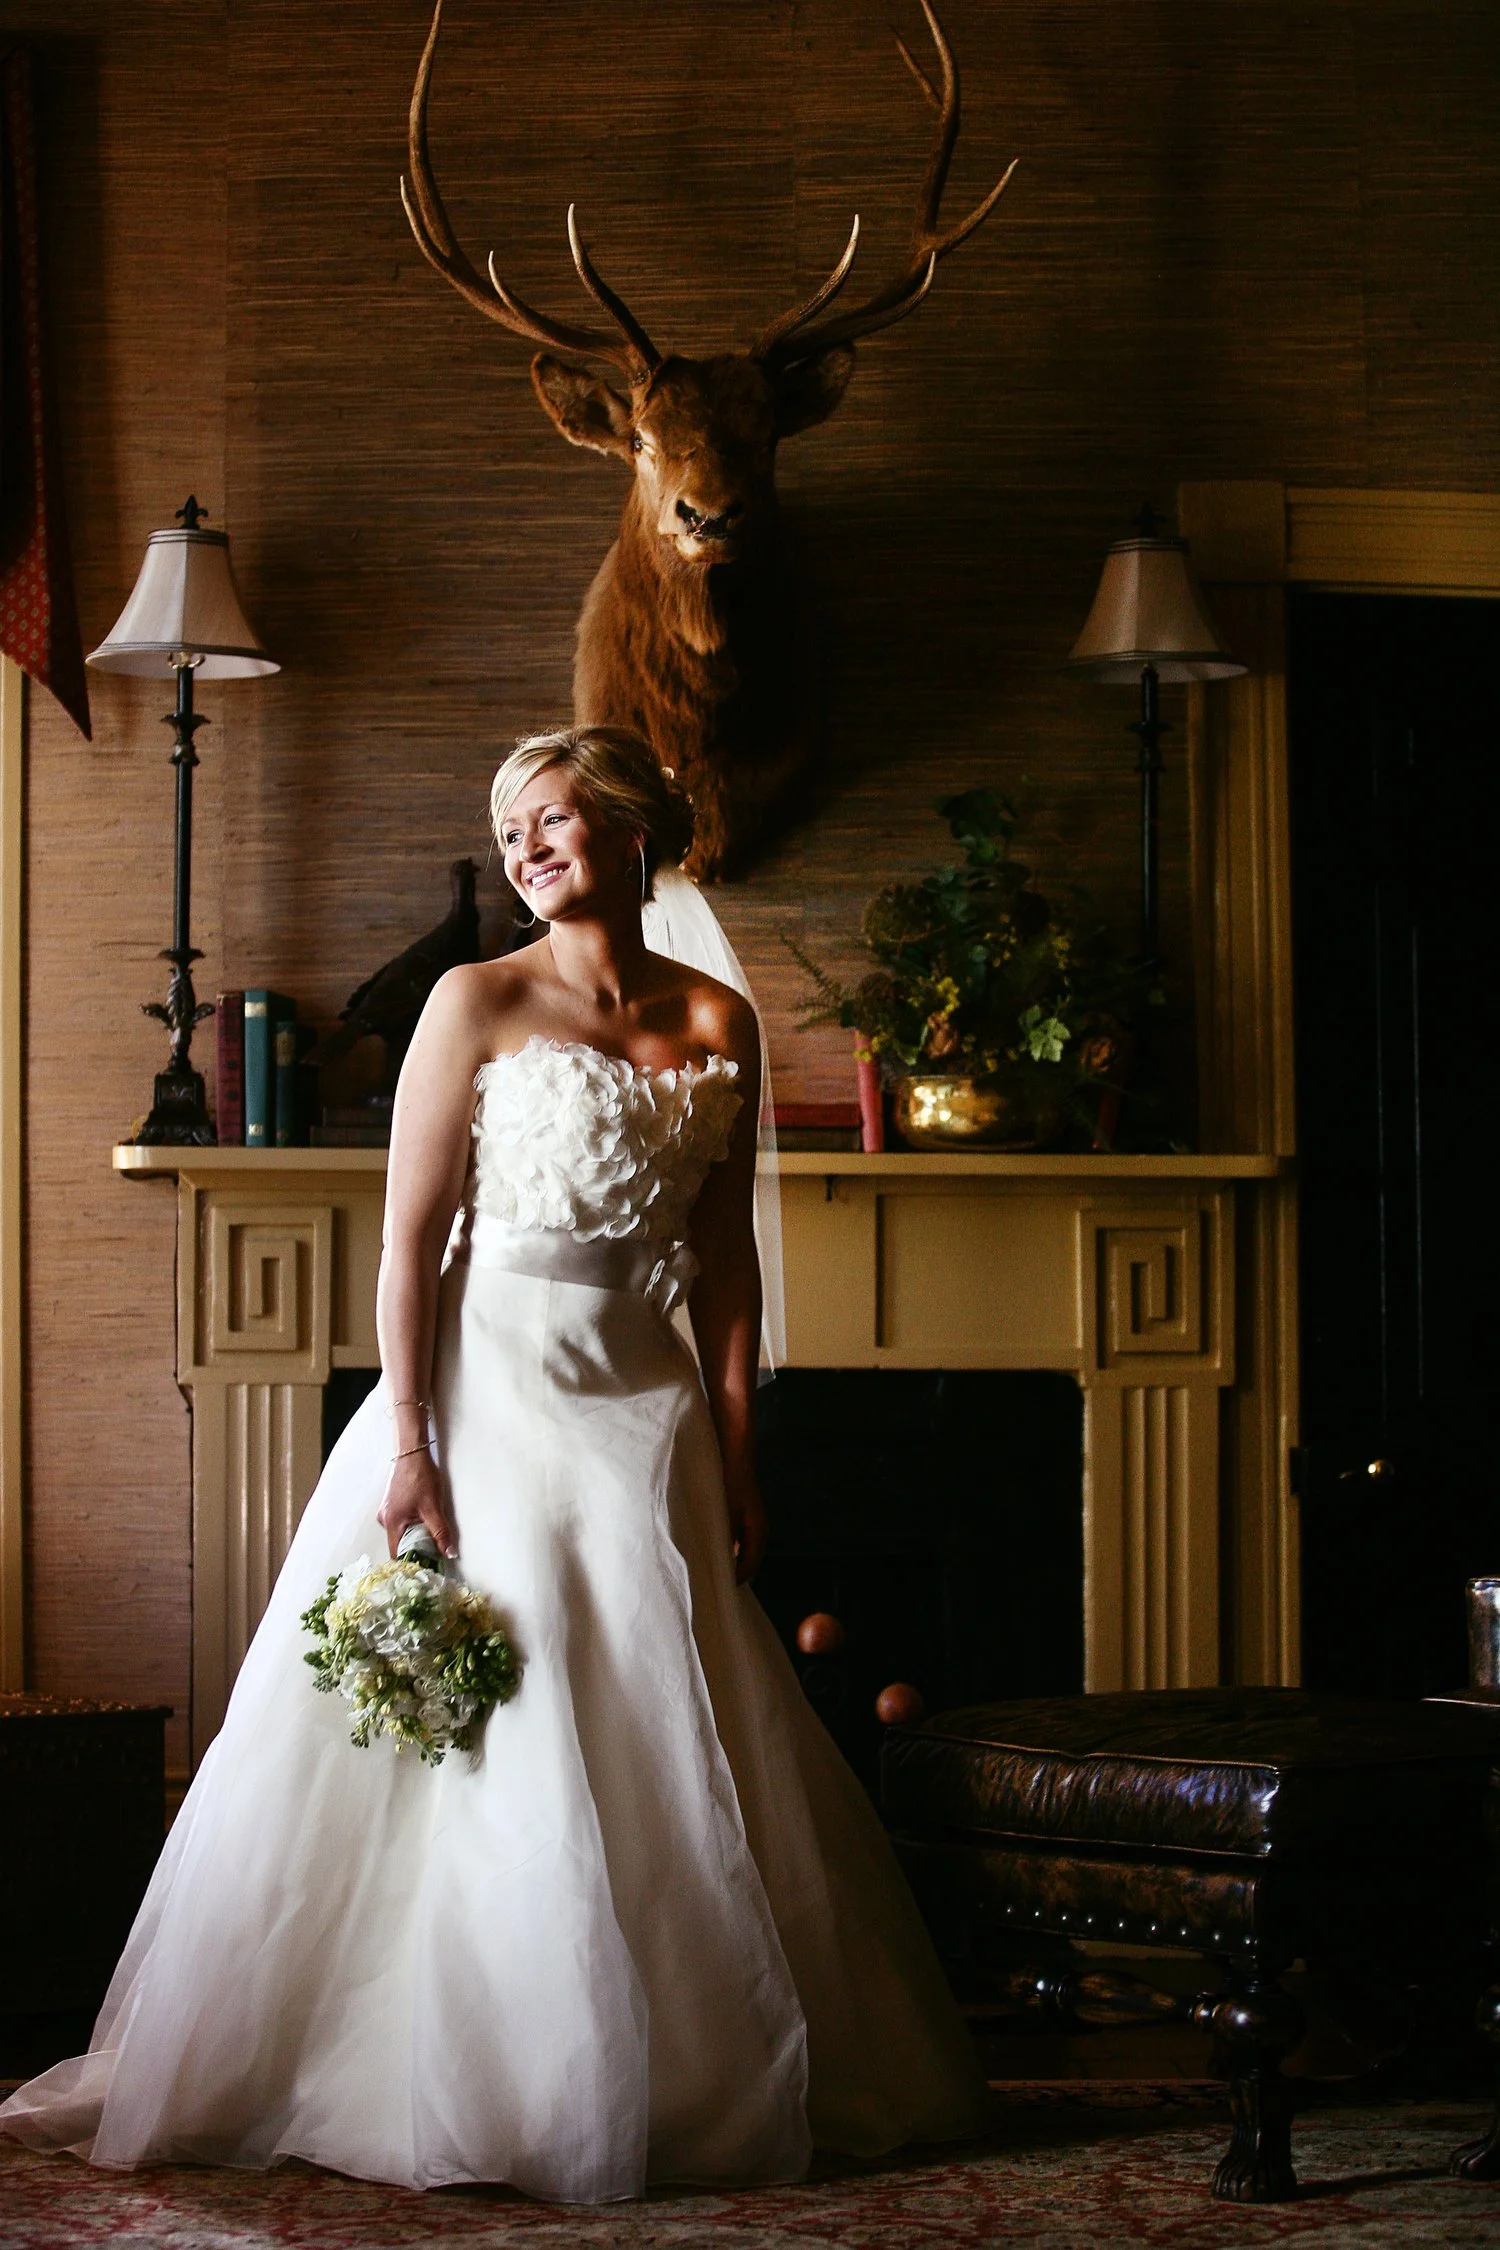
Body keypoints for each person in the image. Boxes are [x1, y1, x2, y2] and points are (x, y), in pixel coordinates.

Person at [1, 725, 989, 2200]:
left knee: (662, 1709)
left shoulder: (721, 1015)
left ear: (634, 829)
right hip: (484, 1387)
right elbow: (406, 1242)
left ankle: (671, 2059)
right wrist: (407, 1437)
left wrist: (734, 1440)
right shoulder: (473, 1000)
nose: (526, 847)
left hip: (643, 1399)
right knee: (496, 1709)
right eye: (510, 826)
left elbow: (724, 1267)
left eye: (552, 817)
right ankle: (464, 2064)